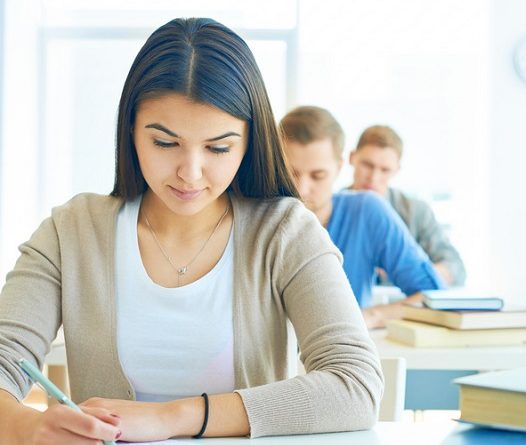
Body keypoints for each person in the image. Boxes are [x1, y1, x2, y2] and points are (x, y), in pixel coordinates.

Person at [0, 18, 382, 444]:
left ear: (249, 142)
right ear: (130, 131)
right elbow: (3, 360)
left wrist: (171, 417)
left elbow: (357, 386)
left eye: (219, 148)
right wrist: (28, 427)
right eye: (165, 143)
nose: (190, 173)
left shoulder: (285, 233)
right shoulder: (70, 233)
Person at [279, 106, 444, 329]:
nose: (301, 189)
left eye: (318, 176)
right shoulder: (252, 216)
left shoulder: (367, 212)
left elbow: (434, 297)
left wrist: (371, 316)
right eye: (291, 173)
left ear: (339, 167)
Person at [349, 125, 466, 286]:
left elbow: (455, 268)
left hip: (402, 307)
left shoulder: (417, 212)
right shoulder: (330, 208)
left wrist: (412, 270)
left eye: (385, 170)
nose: (374, 177)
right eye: (367, 165)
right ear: (352, 158)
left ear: (397, 170)